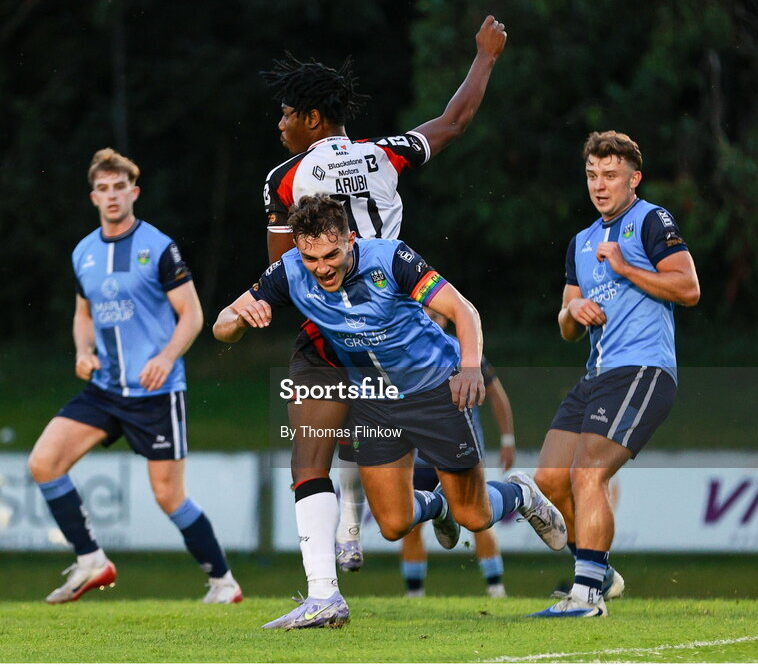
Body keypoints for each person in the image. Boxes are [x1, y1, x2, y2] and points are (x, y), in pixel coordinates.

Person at [259, 14, 509, 625]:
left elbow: (289, 274)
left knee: (309, 460)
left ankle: (325, 592)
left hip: (330, 335)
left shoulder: (285, 179)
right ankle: (337, 566)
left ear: (313, 119)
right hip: (399, 326)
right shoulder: (384, 155)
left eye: (288, 113)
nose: (281, 123)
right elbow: (454, 122)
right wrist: (484, 57)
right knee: (387, 508)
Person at [214, 194, 566, 628]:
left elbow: (463, 310)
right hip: (375, 400)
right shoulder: (289, 272)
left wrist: (471, 368)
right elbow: (221, 326)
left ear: (350, 238)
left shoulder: (391, 258)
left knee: (473, 515)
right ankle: (434, 508)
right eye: (310, 258)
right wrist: (239, 318)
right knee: (394, 524)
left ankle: (521, 493)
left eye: (331, 254)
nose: (322, 267)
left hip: (435, 389)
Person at [28, 148, 241, 605]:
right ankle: (90, 561)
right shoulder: (83, 252)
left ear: (134, 192)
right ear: (93, 196)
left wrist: (166, 357)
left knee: (169, 497)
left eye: (119, 187)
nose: (111, 196)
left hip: (156, 392)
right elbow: (83, 313)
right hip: (105, 389)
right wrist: (83, 351)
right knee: (43, 463)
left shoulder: (159, 247)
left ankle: (223, 582)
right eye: (102, 189)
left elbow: (192, 315)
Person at [529, 131, 700, 618]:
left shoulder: (651, 219)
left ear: (634, 178)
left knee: (588, 472)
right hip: (596, 375)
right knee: (548, 482)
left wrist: (625, 268)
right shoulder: (581, 241)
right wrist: (574, 310)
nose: (600, 186)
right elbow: (565, 324)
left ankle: (586, 597)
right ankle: (598, 569)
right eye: (592, 176)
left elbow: (688, 288)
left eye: (610, 176)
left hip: (643, 369)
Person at [400, 309, 516, 598]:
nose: (432, 320)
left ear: (447, 320)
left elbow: (496, 395)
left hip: (458, 450)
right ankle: (414, 595)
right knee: (409, 521)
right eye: (427, 314)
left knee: (478, 516)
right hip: (419, 455)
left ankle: (496, 588)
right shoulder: (404, 352)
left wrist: (508, 439)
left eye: (438, 316)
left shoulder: (463, 352)